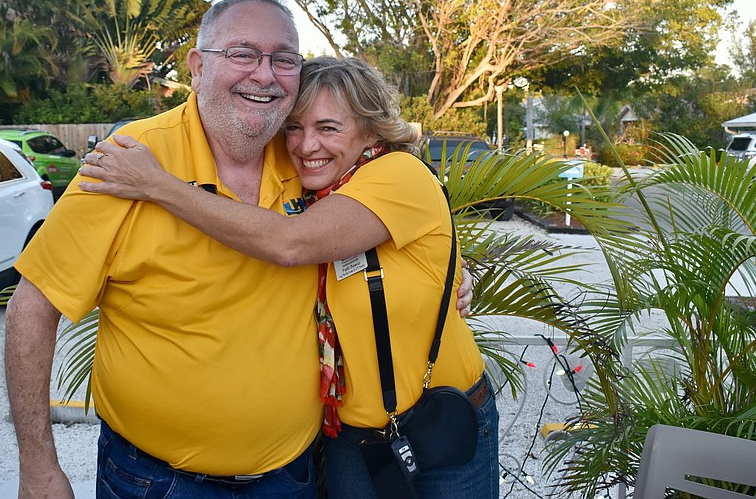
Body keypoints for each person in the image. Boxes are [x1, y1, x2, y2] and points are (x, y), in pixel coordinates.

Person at [4, 0, 473, 499]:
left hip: (293, 476)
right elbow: (31, 308)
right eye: (243, 54)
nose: (265, 75)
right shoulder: (127, 164)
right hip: (156, 481)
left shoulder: (306, 159)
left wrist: (456, 277)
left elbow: (359, 235)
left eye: (283, 59)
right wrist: (38, 467)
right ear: (198, 67)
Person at [79, 56, 499, 498]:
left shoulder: (398, 174)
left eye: (328, 128)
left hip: (439, 421)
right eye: (294, 128)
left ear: (371, 130)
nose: (305, 144)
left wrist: (156, 184)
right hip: (352, 438)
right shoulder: (311, 191)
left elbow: (288, 243)